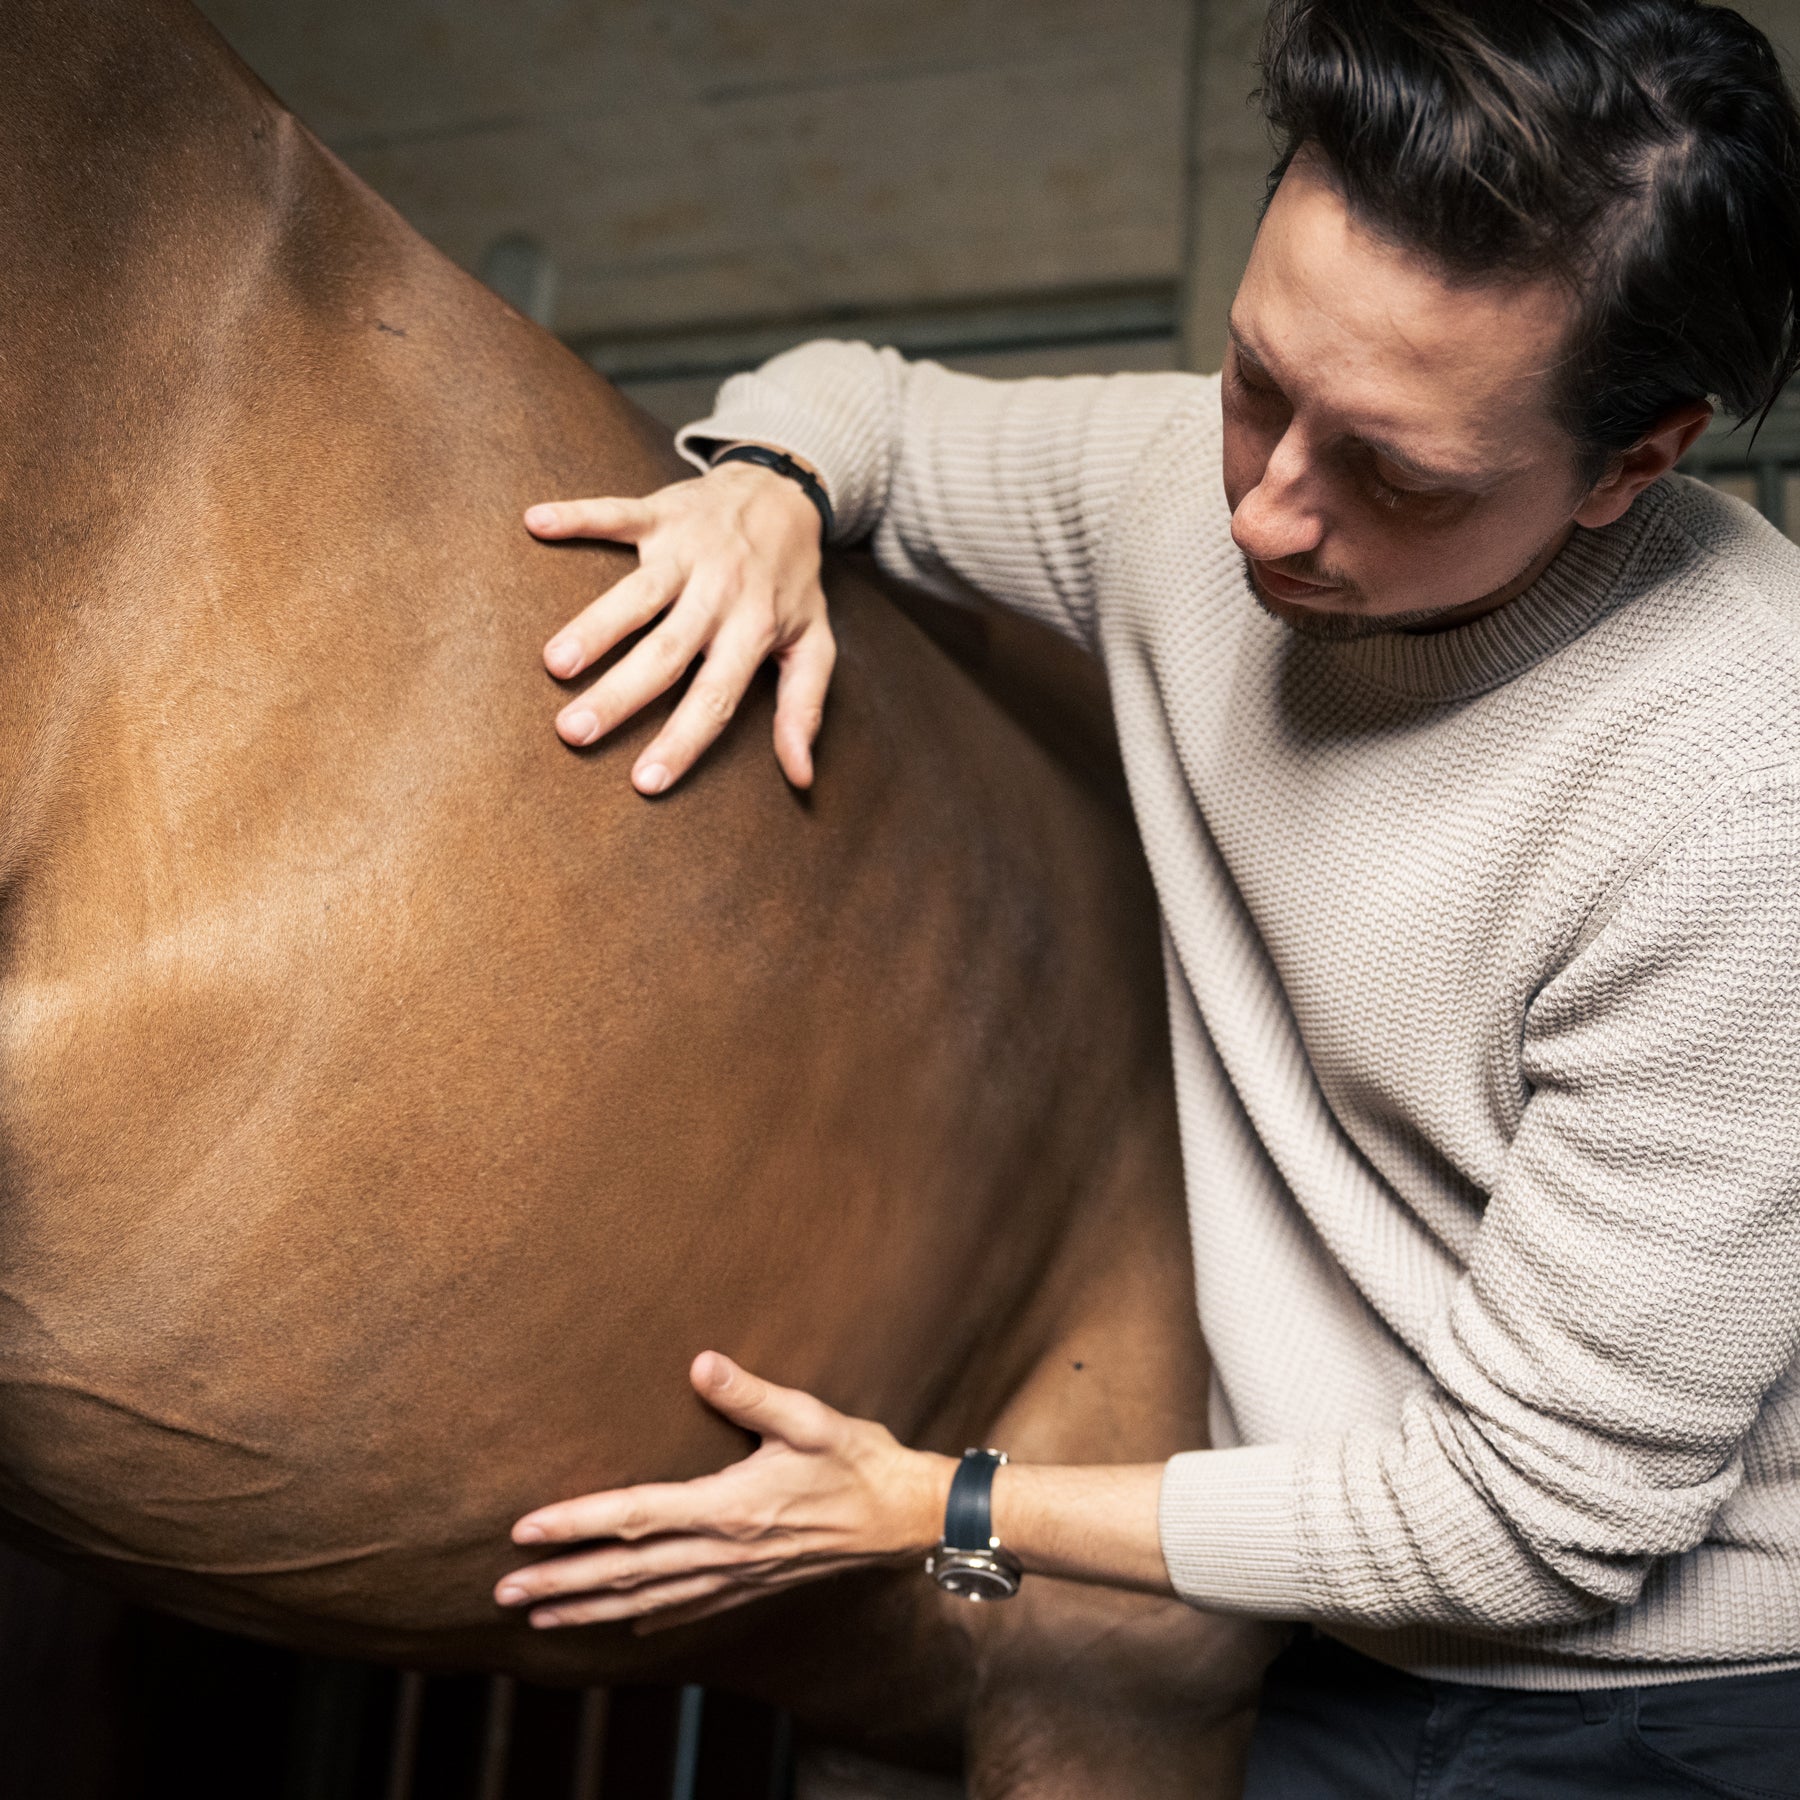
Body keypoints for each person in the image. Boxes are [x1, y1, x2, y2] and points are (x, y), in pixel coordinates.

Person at [495, 2, 1800, 1792]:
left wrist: (936, 1505)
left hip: (1668, 1713)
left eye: (1396, 474)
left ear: (1635, 462)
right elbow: (869, 402)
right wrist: (767, 493)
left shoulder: (1741, 811)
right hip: (1337, 1647)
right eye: (1257, 380)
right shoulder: (1188, 501)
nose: (1265, 514)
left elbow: (1530, 1528)